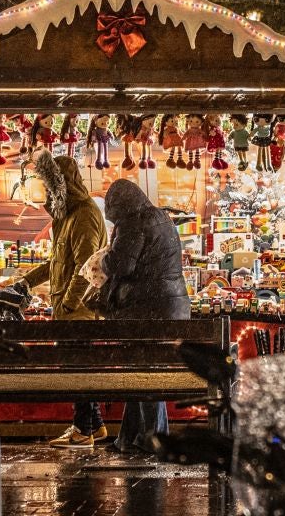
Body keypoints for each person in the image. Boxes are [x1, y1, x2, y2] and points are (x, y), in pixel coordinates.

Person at [14, 156, 108, 448]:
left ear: (61, 185)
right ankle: (94, 426)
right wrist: (26, 281)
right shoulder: (67, 216)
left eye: (49, 185)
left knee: (77, 368)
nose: (46, 191)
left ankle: (82, 430)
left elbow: (86, 265)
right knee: (76, 367)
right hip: (70, 309)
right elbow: (56, 262)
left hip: (79, 311)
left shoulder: (83, 214)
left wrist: (68, 303)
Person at [96, 178, 191, 454]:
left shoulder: (133, 221)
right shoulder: (160, 216)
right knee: (141, 370)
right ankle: (132, 437)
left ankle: (153, 439)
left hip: (146, 308)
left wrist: (101, 259)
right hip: (170, 307)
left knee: (145, 373)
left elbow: (121, 264)